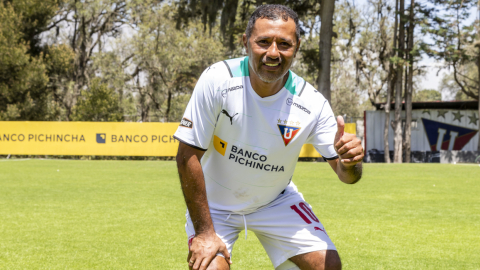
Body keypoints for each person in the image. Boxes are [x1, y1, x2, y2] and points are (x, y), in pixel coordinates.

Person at [174, 4, 364, 270]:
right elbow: (187, 156)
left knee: (327, 266)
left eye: (284, 44)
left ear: (296, 46)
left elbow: (348, 176)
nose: (273, 53)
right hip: (215, 207)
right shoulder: (218, 79)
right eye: (263, 42)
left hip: (275, 201)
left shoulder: (311, 102)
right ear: (246, 41)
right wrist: (205, 232)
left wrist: (350, 162)